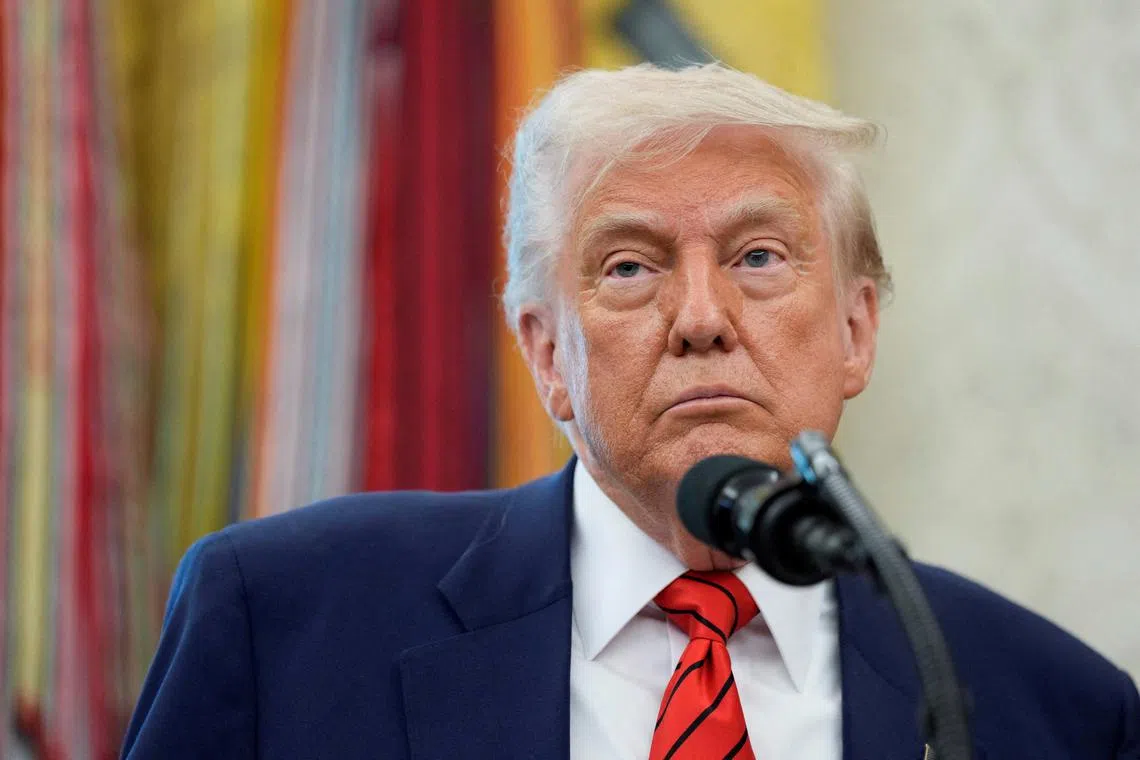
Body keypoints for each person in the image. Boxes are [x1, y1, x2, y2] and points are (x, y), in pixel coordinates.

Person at [121, 64, 1139, 759]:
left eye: (757, 256)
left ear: (856, 331)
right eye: (628, 265)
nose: (701, 317)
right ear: (548, 351)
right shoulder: (287, 623)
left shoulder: (1047, 704)